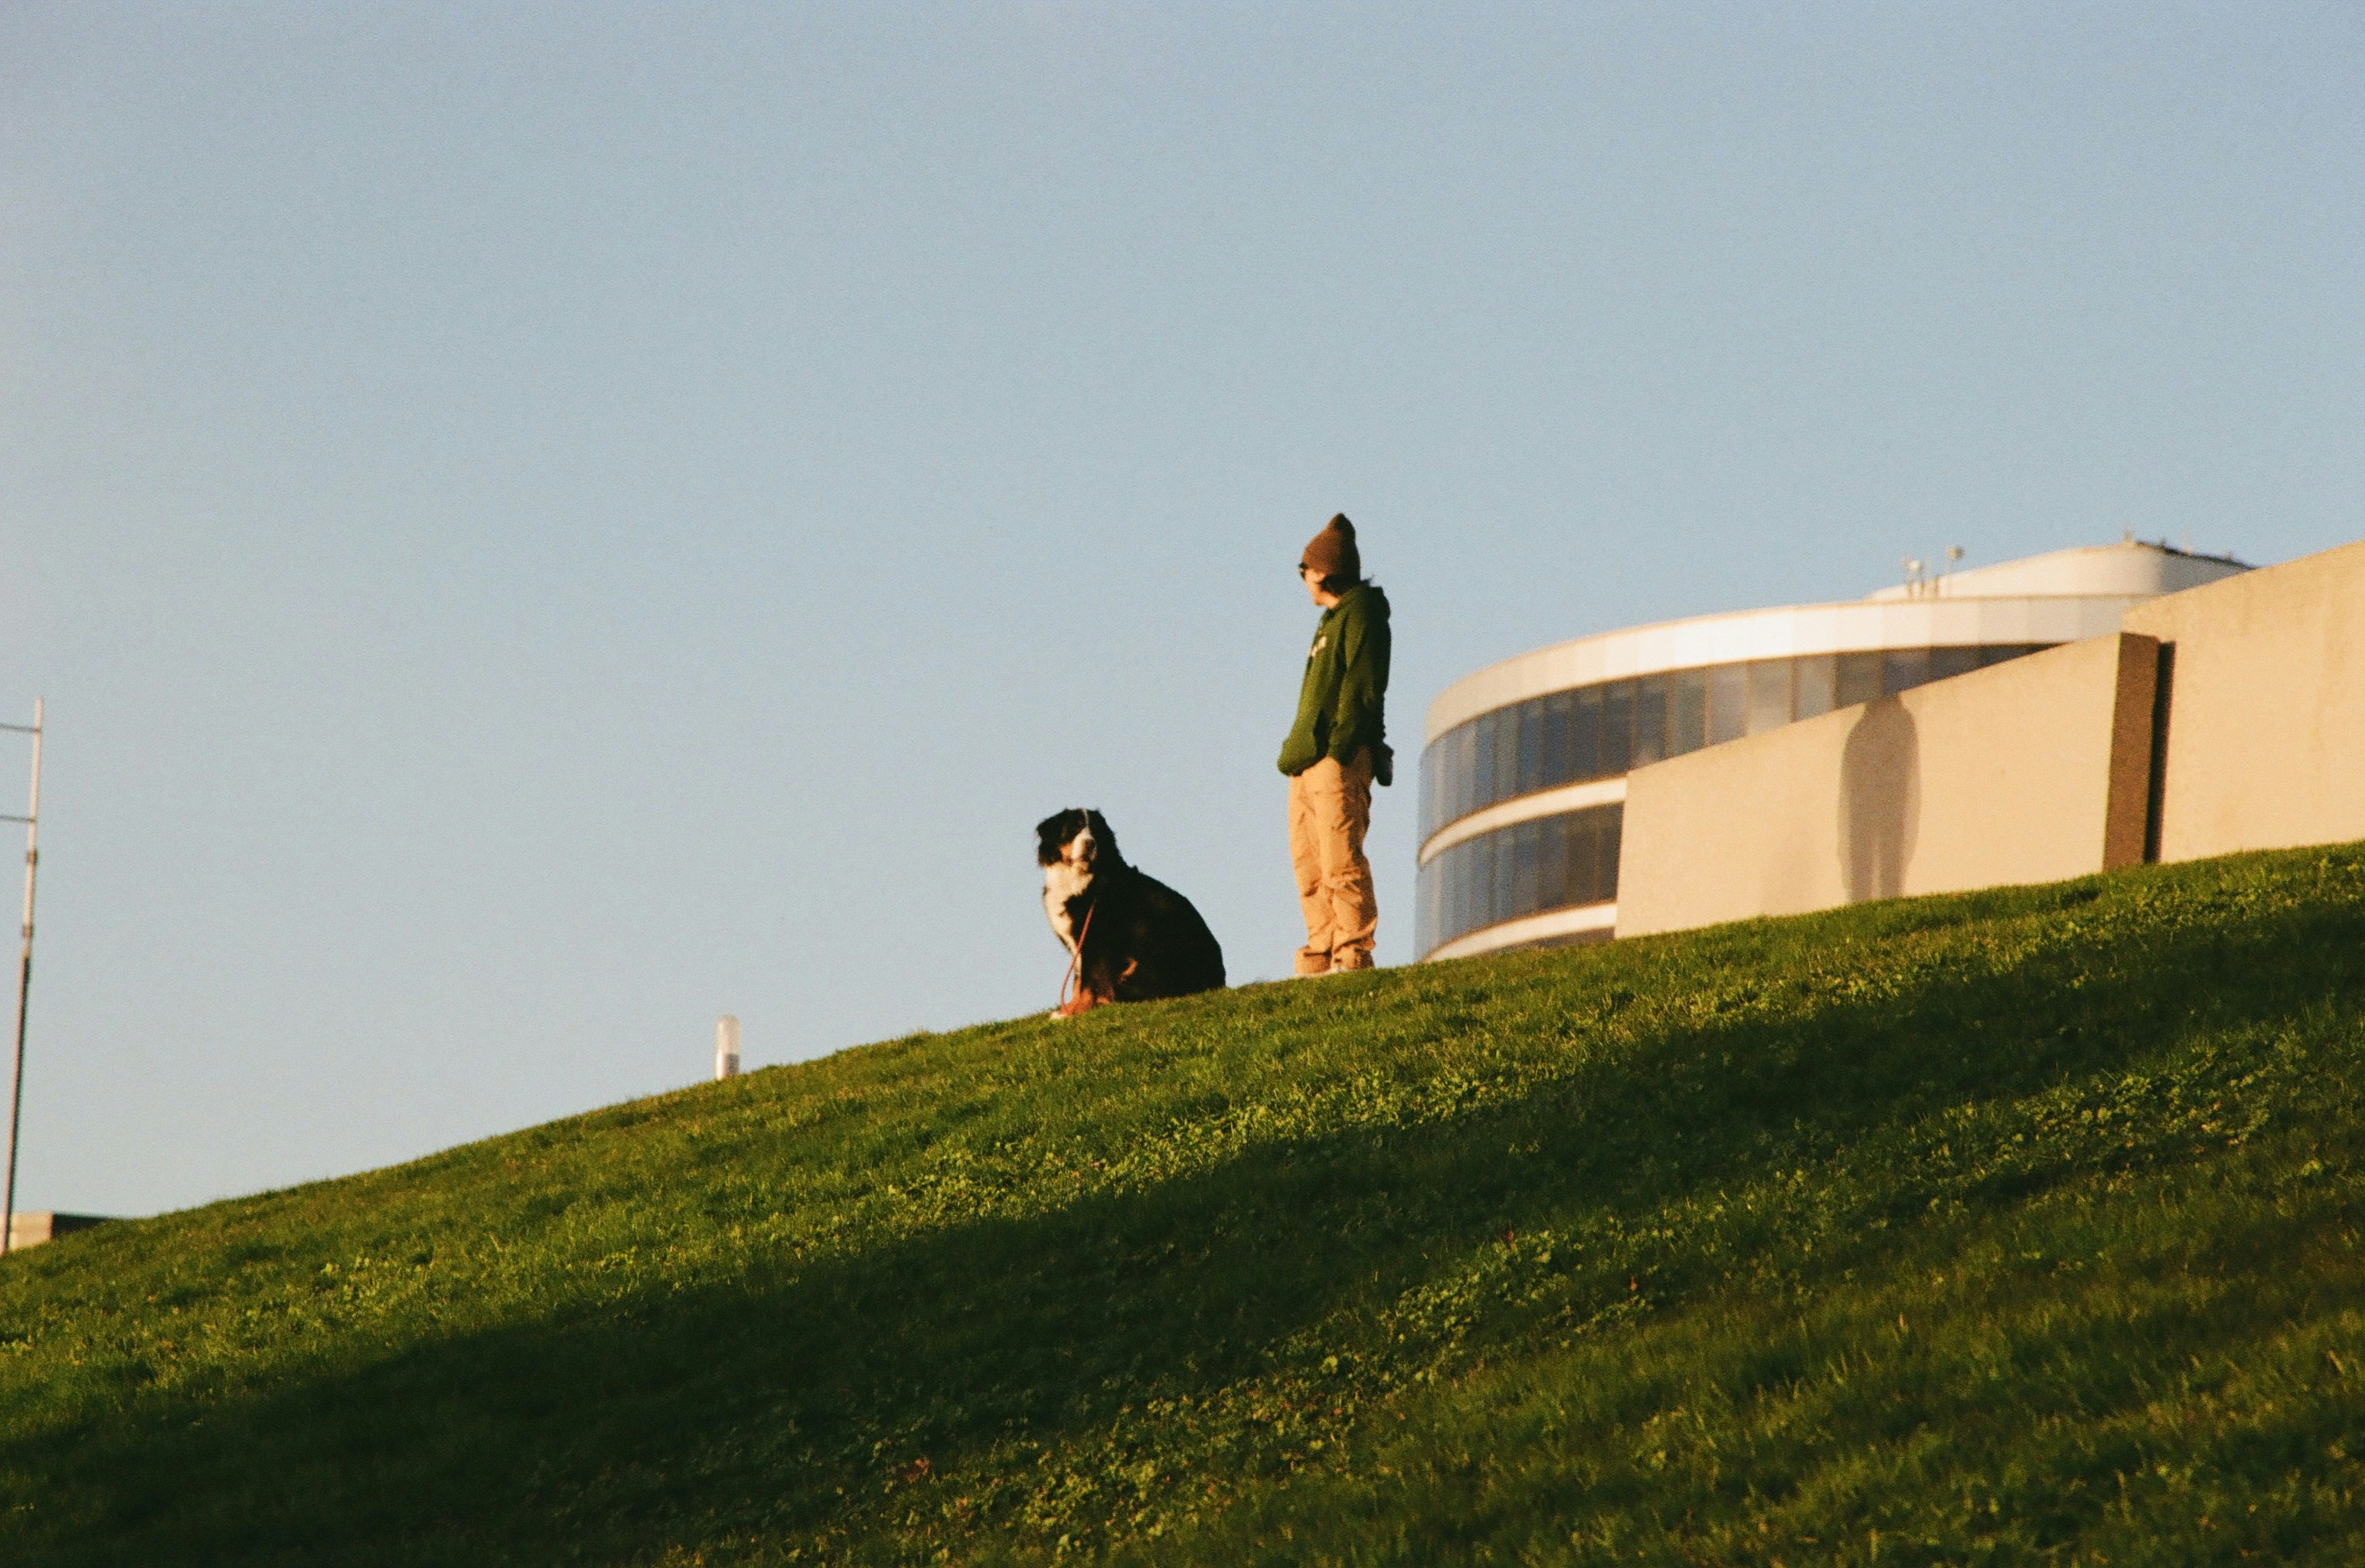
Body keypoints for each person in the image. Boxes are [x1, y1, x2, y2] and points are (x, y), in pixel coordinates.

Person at [1276, 513, 1392, 975]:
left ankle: (1352, 952)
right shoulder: (1328, 623)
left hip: (1333, 759)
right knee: (1309, 865)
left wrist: (1341, 749)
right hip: (1304, 761)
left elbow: (1364, 689)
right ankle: (1320, 953)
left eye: (1304, 568)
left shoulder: (1361, 612)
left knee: (1340, 860)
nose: (1302, 578)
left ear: (1322, 570)